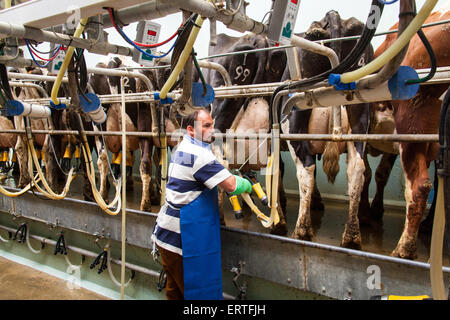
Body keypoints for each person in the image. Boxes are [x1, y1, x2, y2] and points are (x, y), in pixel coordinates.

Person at [151, 108, 252, 300]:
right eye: (206, 126)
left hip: (165, 236)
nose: (212, 130)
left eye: (212, 125)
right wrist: (245, 183)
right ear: (190, 130)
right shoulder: (199, 155)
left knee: (176, 294)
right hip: (182, 242)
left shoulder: (181, 149)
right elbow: (231, 185)